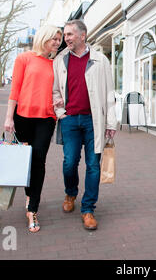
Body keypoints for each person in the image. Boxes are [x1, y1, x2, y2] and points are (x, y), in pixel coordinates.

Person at [52, 19, 117, 230]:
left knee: (93, 166)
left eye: (70, 34)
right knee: (69, 162)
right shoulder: (60, 60)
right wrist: (60, 111)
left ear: (83, 35)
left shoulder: (100, 60)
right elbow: (55, 91)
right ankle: (71, 193)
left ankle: (88, 209)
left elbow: (109, 92)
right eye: (65, 35)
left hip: (93, 121)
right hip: (69, 119)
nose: (66, 38)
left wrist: (111, 122)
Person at [4, 25, 62, 233]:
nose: (57, 42)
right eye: (54, 38)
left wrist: (60, 102)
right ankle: (30, 195)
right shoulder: (24, 58)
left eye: (59, 39)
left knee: (38, 160)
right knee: (25, 160)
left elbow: (59, 90)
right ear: (44, 38)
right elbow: (15, 89)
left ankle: (32, 209)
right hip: (22, 117)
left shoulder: (56, 64)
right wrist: (9, 117)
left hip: (46, 119)